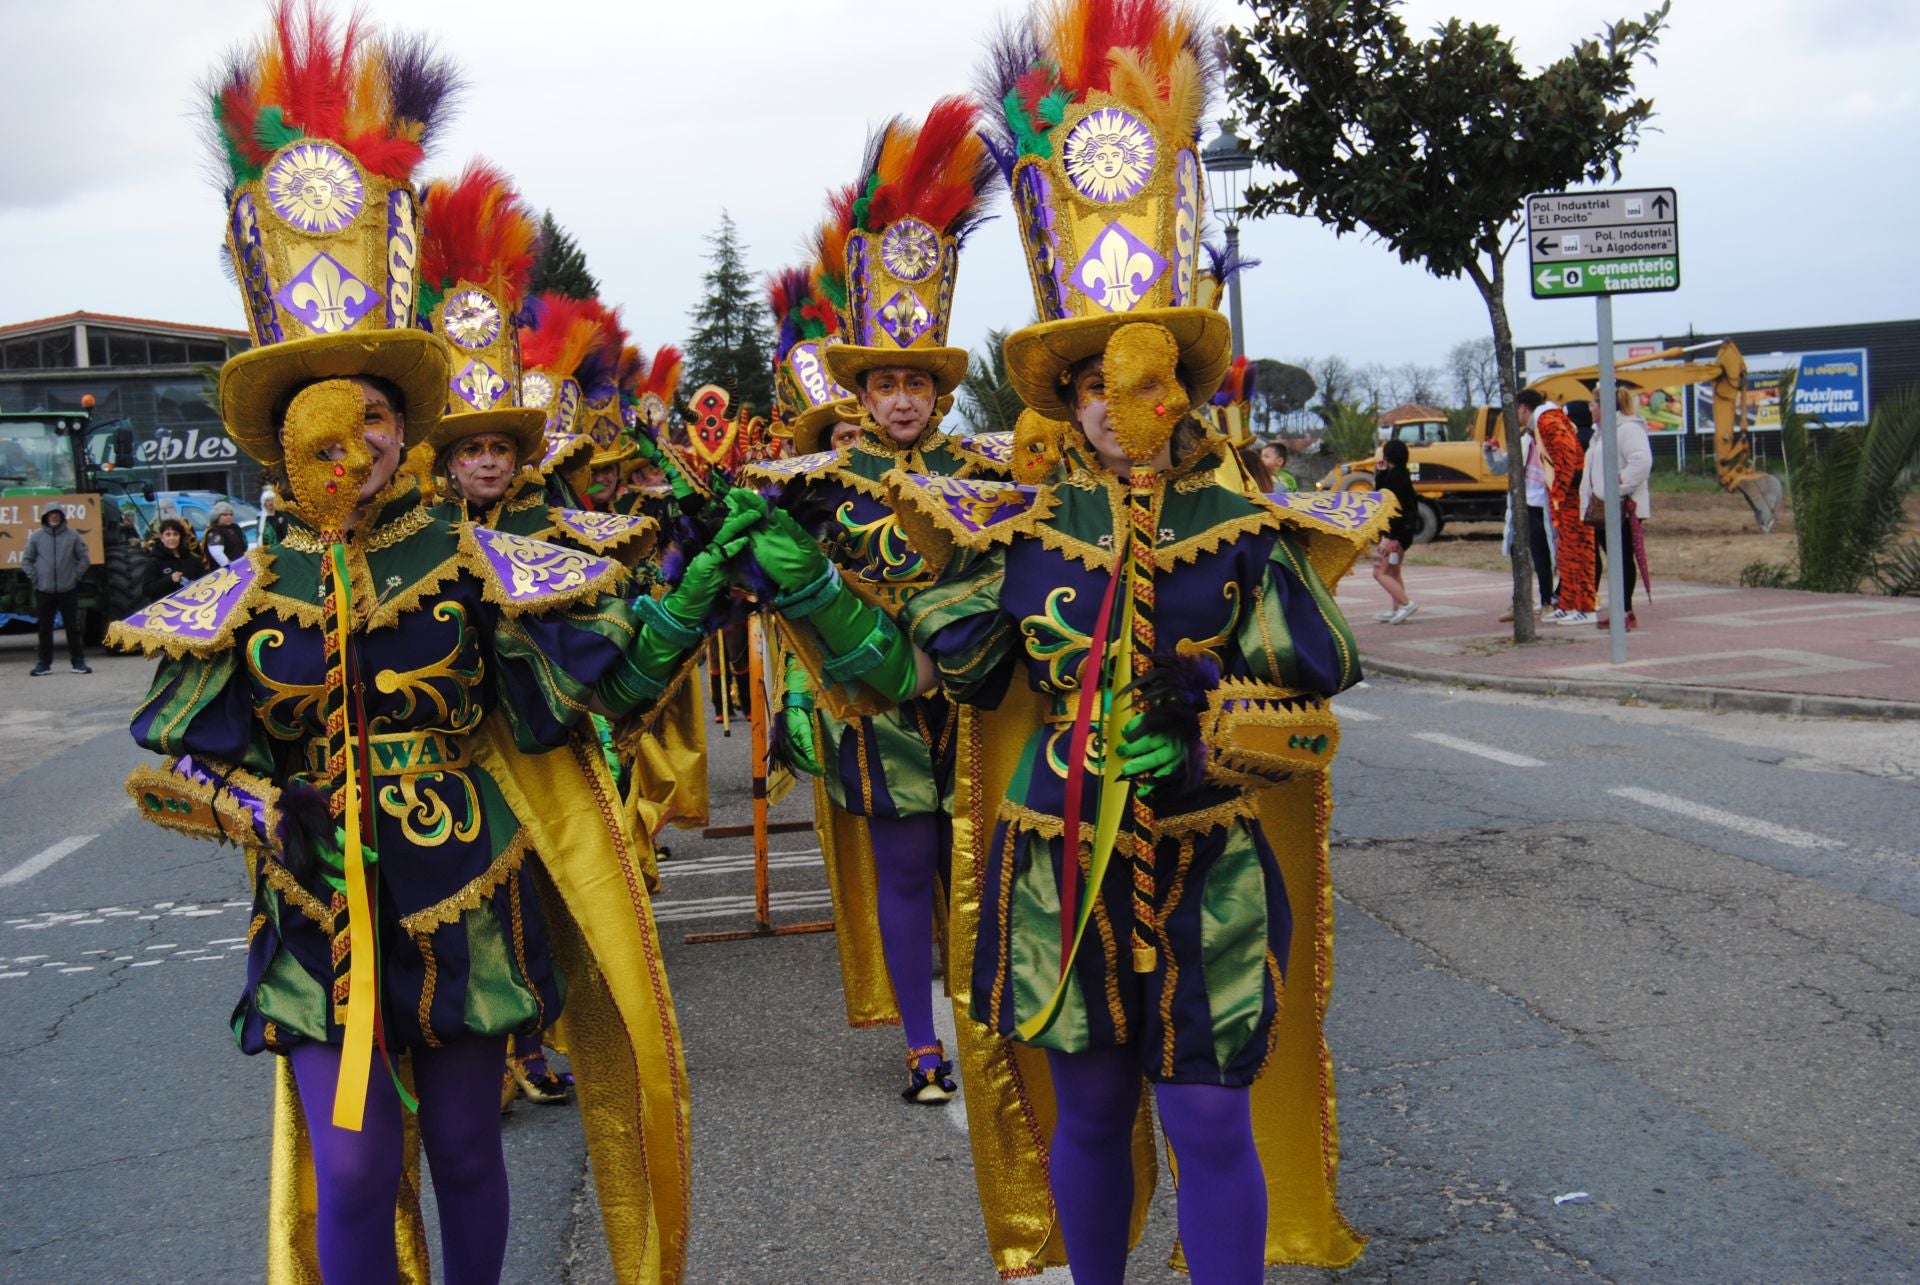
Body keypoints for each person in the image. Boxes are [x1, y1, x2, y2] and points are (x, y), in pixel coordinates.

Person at [757, 10, 1372, 1276]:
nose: (1119, 404)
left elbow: (1313, 696)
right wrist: (810, 593)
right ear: (1066, 396)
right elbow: (936, 678)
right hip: (1053, 864)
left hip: (1209, 858)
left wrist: (1207, 719)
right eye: (1092, 381)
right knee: (1087, 1111)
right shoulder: (1009, 534)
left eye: (1142, 378)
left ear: (1182, 389)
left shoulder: (1254, 531)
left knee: (1207, 1115)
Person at [113, 26, 705, 1282]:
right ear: (279, 438)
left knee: (470, 1154)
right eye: (322, 417)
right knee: (353, 1169)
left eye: (375, 413)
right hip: (315, 906)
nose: (352, 439)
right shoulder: (246, 588)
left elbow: (585, 698)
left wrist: (693, 598)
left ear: (404, 429)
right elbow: (162, 764)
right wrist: (255, 807)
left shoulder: (475, 562)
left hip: (466, 893)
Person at [748, 101, 1002, 1104]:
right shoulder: (813, 480)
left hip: (979, 705)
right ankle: (921, 1045)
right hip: (879, 713)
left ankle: (988, 1028)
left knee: (981, 873)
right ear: (863, 387)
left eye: (917, 383)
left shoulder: (989, 471)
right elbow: (772, 588)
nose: (901, 398)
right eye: (885, 381)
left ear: (940, 392)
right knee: (904, 876)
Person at [1517, 388, 1596, 624]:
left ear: (1522, 408)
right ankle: (1568, 602)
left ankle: (1586, 606)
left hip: (1572, 496)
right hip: (1565, 496)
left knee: (1578, 550)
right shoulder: (1541, 424)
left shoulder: (1548, 421)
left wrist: (1559, 494)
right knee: (1565, 551)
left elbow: (1566, 455)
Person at [1580, 387, 1655, 630]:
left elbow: (1641, 462)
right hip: (1603, 506)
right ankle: (1621, 609)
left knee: (1622, 558)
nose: (1590, 409)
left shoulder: (1628, 429)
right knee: (1614, 557)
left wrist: (1615, 490)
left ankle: (1624, 610)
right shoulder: (1600, 434)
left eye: (1593, 404)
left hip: (1623, 507)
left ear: (1605, 406)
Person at [22, 503, 91, 676]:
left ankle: (78, 662)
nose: (54, 517)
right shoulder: (36, 537)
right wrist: (36, 578)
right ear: (45, 517)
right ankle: (43, 664)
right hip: (44, 590)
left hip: (68, 589)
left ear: (62, 517)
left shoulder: (72, 536)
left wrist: (75, 575)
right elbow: (27, 560)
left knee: (72, 627)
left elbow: (83, 558)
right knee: (45, 628)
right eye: (50, 514)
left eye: (57, 514)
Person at [1372, 438, 1419, 623]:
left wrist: (1392, 538)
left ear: (1387, 455)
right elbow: (1383, 495)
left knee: (1379, 572)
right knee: (1393, 572)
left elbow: (1394, 508)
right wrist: (1382, 473)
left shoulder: (1395, 478)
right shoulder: (1399, 475)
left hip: (1395, 533)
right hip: (1402, 533)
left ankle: (1406, 604)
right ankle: (1397, 608)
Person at [141, 517, 207, 602]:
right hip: (168, 610)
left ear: (180, 537)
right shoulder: (154, 562)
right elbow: (147, 590)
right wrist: (169, 580)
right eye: (168, 534)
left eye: (175, 534)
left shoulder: (194, 560)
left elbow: (206, 580)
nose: (172, 538)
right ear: (161, 537)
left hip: (196, 605)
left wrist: (198, 584)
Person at [204, 499, 249, 568]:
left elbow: (244, 546)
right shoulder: (214, 531)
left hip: (241, 565)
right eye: (225, 515)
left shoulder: (235, 527)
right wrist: (230, 567)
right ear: (217, 516)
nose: (229, 517)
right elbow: (217, 554)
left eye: (231, 514)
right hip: (226, 571)